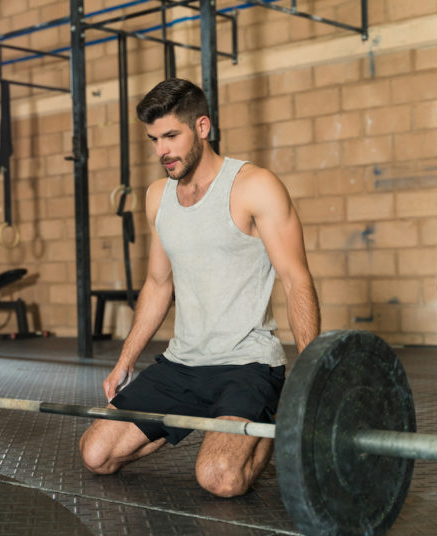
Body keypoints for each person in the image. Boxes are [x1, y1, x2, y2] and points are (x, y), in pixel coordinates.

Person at [79, 78, 320, 497]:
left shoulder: (254, 186)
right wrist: (125, 361)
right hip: (182, 363)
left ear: (203, 127)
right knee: (96, 455)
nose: (162, 151)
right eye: (154, 139)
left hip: (246, 365)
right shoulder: (158, 196)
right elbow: (158, 283)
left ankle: (269, 426)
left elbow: (296, 277)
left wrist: (317, 377)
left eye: (171, 136)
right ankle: (208, 424)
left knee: (219, 478)